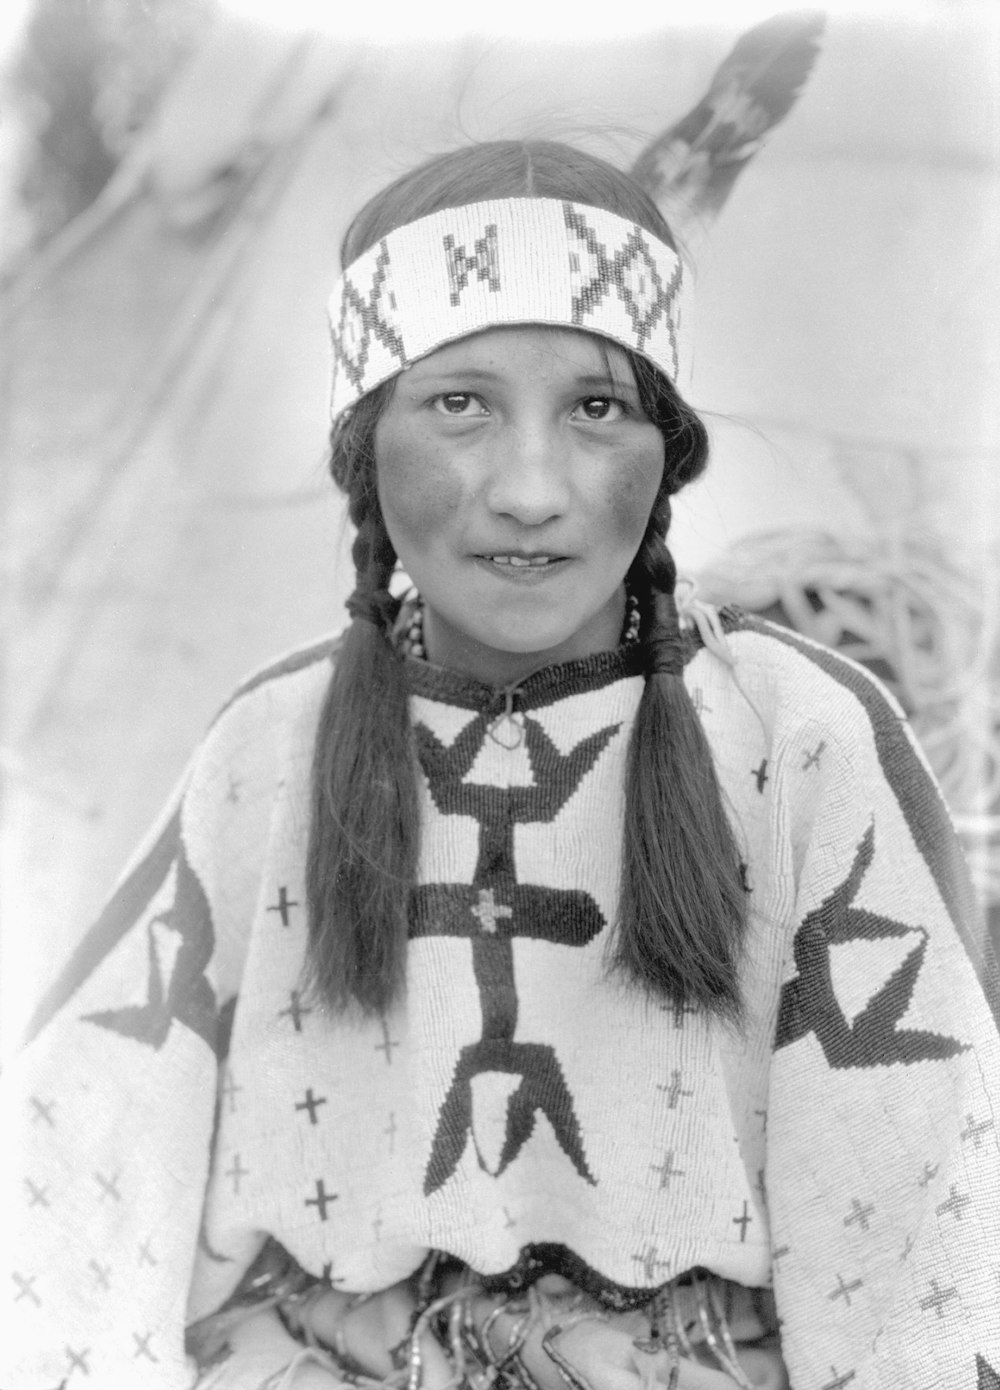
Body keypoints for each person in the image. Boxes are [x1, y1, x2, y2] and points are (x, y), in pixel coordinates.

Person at [5, 139, 999, 1390]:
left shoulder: (798, 737)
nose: (532, 489)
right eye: (459, 403)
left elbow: (917, 1218)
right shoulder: (274, 748)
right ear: (368, 447)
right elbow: (75, 1166)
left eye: (596, 408)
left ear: (665, 451)